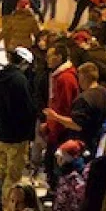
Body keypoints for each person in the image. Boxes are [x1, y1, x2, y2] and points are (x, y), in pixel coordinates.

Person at [0, 48, 38, 197]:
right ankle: (7, 205)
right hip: (17, 136)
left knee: (2, 170)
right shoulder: (20, 80)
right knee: (13, 175)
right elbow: (27, 109)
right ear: (23, 62)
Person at [43, 61, 106, 158]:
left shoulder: (83, 99)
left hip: (83, 146)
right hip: (99, 140)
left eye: (79, 77)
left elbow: (77, 125)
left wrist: (55, 117)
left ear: (84, 77)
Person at [41, 43, 80, 190]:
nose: (47, 59)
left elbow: (64, 108)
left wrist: (53, 128)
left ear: (59, 57)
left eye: (50, 56)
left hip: (60, 132)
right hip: (55, 128)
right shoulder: (59, 76)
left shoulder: (65, 78)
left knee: (54, 166)